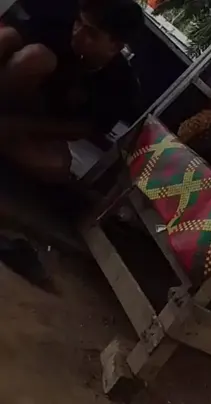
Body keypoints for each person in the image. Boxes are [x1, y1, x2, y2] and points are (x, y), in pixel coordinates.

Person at [0, 0, 143, 289]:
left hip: (27, 125)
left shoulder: (121, 85)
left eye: (91, 33)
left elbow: (80, 129)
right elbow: (9, 36)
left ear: (114, 46)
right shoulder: (59, 24)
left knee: (57, 166)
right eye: (79, 23)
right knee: (33, 57)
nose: (78, 32)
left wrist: (18, 127)